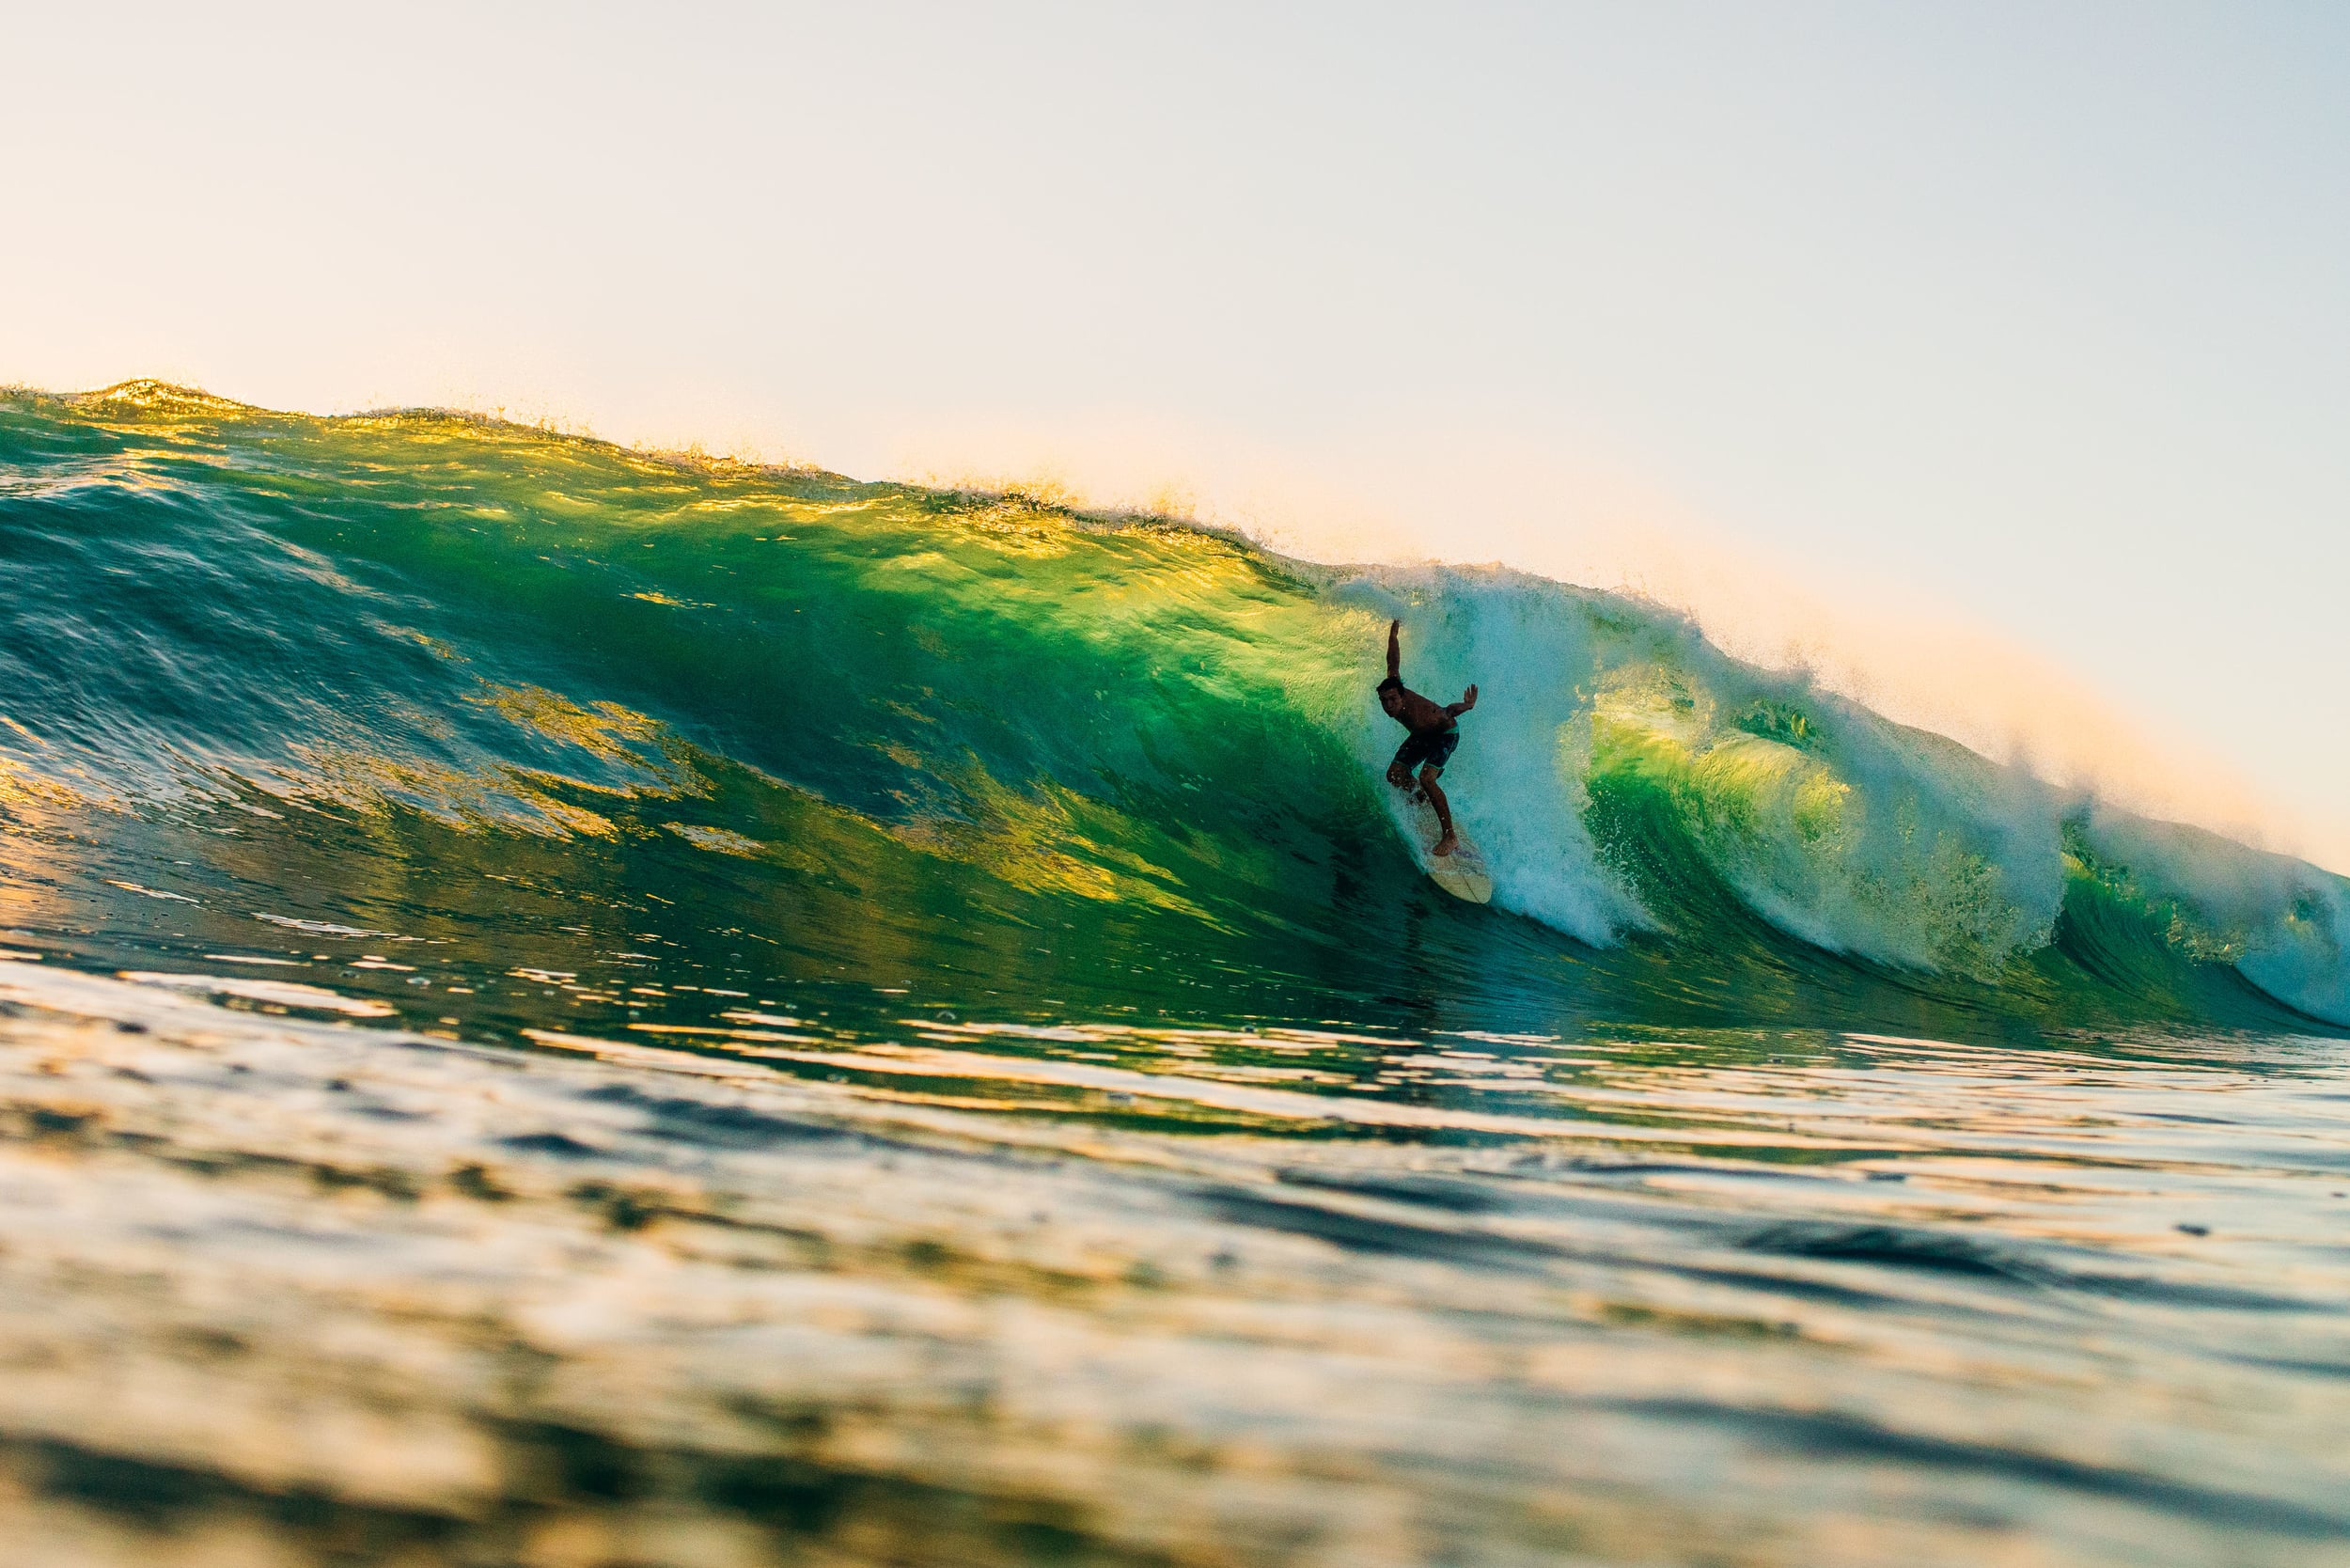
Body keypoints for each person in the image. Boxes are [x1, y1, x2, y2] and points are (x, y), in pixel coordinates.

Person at [1377, 619, 1477, 856]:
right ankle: (1421, 797)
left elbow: (1448, 712)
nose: (1389, 705)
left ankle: (1450, 836)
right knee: (1394, 774)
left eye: (1393, 700)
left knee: (1427, 778)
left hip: (1444, 734)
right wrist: (1393, 633)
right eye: (1385, 701)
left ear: (1402, 696)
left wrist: (1467, 705)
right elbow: (1392, 661)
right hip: (1422, 736)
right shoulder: (1394, 685)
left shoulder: (1425, 716)